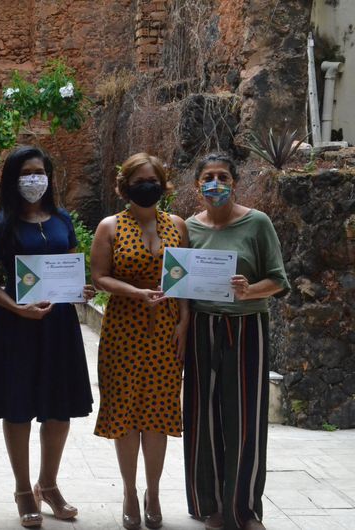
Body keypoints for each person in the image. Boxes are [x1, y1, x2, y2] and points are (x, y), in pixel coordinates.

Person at [0, 145, 94, 528]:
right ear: (14, 178)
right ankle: (23, 489)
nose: (34, 179)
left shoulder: (61, 219)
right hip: (15, 326)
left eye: (40, 171)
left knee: (59, 408)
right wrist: (17, 308)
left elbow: (71, 267)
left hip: (59, 326)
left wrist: (81, 290)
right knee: (18, 408)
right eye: (26, 172)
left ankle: (49, 484)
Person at [183, 153, 289, 530]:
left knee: (246, 418)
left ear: (235, 182)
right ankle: (208, 505)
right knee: (203, 417)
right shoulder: (189, 228)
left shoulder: (257, 223)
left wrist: (249, 291)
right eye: (208, 177)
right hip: (201, 327)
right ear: (197, 185)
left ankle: (244, 510)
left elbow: (278, 280)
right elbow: (179, 281)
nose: (215, 183)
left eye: (223, 176)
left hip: (246, 328)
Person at [90, 153, 189, 529]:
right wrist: (134, 292)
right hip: (124, 330)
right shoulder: (110, 226)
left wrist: (184, 322)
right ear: (125, 185)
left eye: (153, 179)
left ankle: (154, 491)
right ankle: (130, 491)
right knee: (126, 414)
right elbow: (99, 277)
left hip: (166, 330)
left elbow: (186, 279)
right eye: (139, 180)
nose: (146, 186)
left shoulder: (177, 225)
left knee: (159, 415)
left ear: (163, 184)